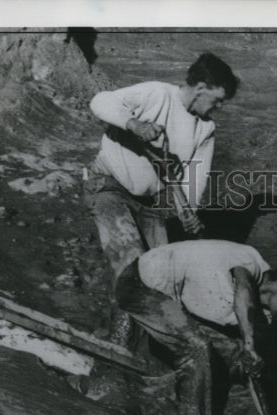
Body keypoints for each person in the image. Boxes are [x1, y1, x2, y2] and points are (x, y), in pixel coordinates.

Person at [84, 52, 238, 345]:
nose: (217, 108)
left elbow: (195, 177)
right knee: (130, 265)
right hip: (109, 187)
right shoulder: (156, 94)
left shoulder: (205, 129)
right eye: (217, 100)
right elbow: (100, 101)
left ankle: (150, 346)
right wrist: (133, 124)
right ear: (202, 88)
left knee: (162, 279)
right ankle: (117, 344)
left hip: (149, 204)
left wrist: (188, 212)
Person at [116, 240, 277, 415]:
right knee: (196, 348)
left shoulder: (261, 315)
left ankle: (177, 398)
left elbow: (251, 369)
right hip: (140, 286)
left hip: (176, 304)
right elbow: (243, 289)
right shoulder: (249, 262)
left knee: (235, 354)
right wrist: (249, 343)